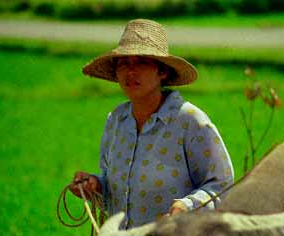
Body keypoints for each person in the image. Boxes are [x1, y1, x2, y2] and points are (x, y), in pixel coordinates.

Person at [69, 19, 234, 229]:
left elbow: (221, 185)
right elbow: (114, 187)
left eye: (142, 62)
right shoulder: (116, 120)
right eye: (124, 63)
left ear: (162, 72)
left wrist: (186, 206)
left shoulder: (189, 120)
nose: (131, 71)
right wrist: (96, 185)